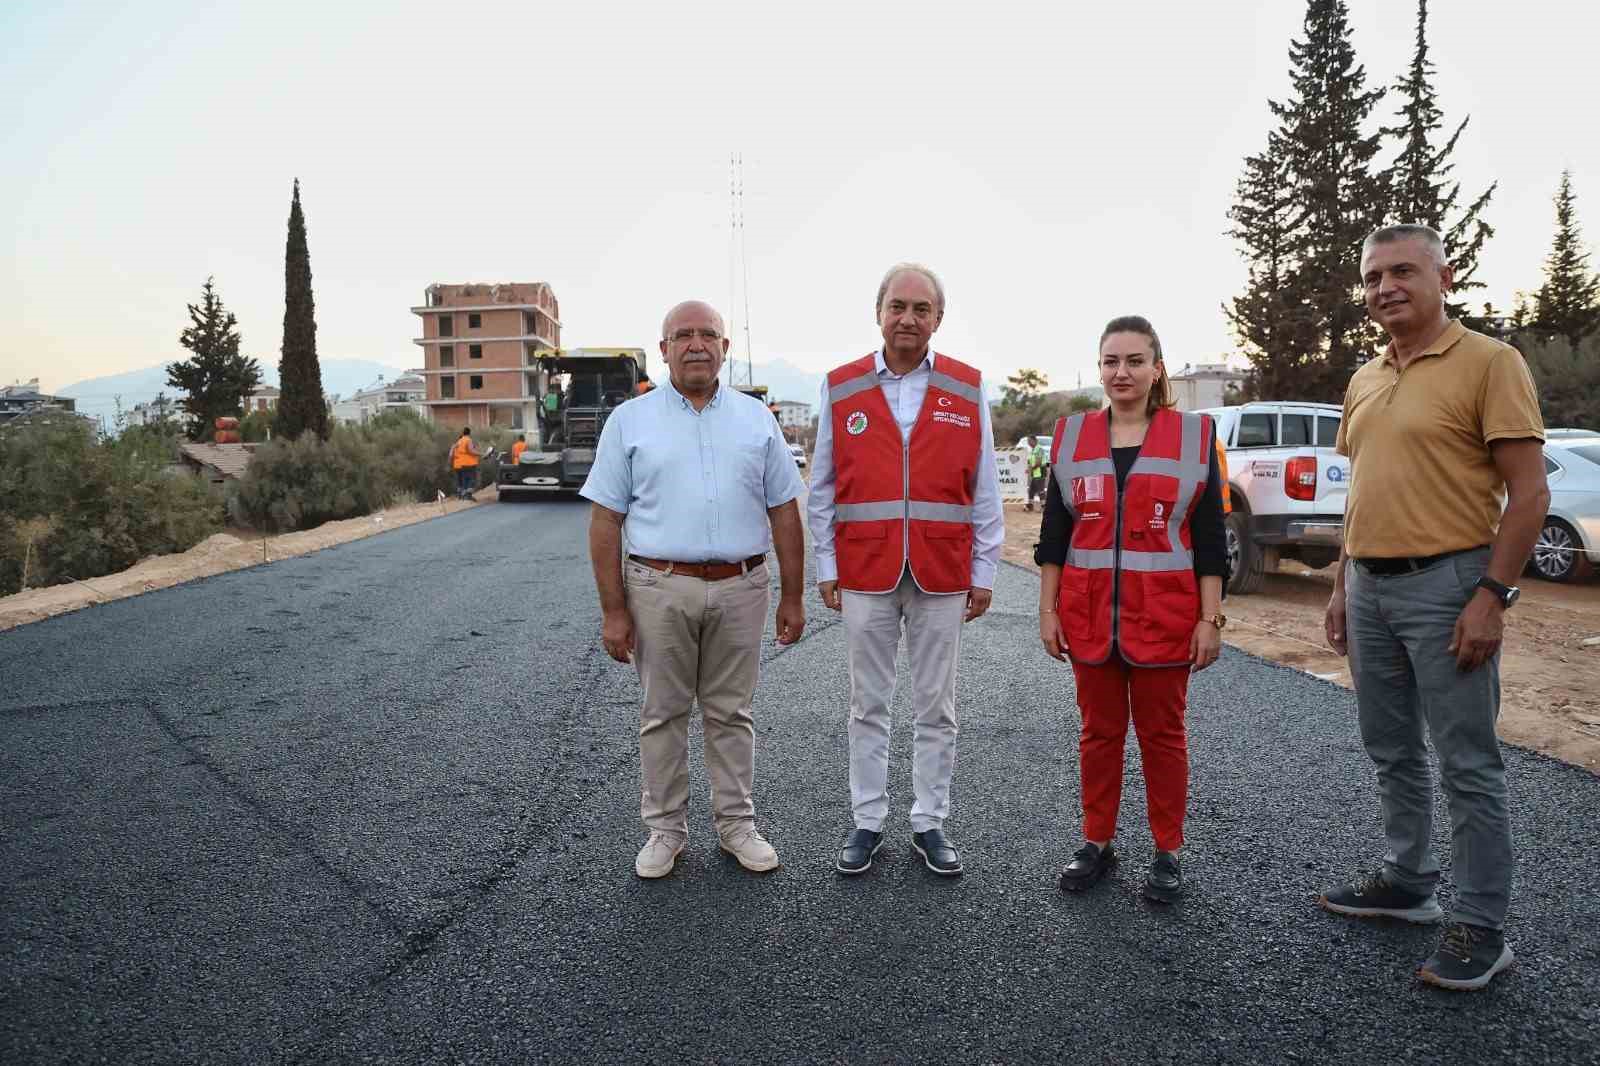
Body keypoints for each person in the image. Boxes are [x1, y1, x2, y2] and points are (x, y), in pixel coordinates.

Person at [1319, 224, 1548, 991]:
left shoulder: (1490, 362)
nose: (1386, 287)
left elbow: (1530, 492)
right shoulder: (1365, 377)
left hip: (1449, 584)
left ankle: (1482, 926)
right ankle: (1408, 881)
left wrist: (1492, 595)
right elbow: (1366, 488)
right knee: (1390, 748)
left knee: (1468, 763)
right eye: (1374, 275)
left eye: (1403, 272)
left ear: (1442, 277)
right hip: (1370, 587)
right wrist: (1339, 584)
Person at [581, 300, 807, 880]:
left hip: (741, 587)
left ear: (726, 349)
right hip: (658, 587)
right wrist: (613, 611)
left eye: (709, 334)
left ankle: (736, 825)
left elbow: (784, 510)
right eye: (683, 335)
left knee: (732, 713)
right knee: (663, 713)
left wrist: (792, 595)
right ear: (663, 350)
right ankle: (665, 830)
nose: (697, 343)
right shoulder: (630, 421)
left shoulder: (757, 420)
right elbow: (605, 520)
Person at [808, 262, 1003, 877]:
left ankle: (929, 821)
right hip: (866, 568)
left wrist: (985, 570)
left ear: (938, 319)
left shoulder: (967, 388)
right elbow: (822, 487)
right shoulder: (840, 388)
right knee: (868, 705)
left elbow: (986, 490)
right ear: (879, 313)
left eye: (922, 309)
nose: (908, 319)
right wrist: (827, 565)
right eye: (898, 306)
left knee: (936, 707)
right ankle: (867, 820)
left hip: (942, 572)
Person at [1036, 315, 1226, 904]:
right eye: (1111, 362)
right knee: (1098, 733)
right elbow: (1054, 534)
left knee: (1163, 735)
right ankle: (1097, 841)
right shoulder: (1069, 438)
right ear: (1100, 369)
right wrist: (1047, 610)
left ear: (1157, 369)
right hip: (1089, 617)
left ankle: (1167, 850)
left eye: (1135, 361)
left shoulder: (1193, 438)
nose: (1123, 372)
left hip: (1165, 618)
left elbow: (1211, 538)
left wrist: (1209, 619)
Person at [449, 427, 481, 501]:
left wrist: (454, 458)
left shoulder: (458, 443)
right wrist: (480, 454)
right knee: (470, 479)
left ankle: (460, 495)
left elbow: (451, 454)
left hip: (457, 464)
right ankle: (467, 495)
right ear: (469, 433)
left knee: (461, 480)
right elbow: (471, 451)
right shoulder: (468, 440)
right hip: (468, 463)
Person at [1025, 434, 1047, 512]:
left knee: (1040, 490)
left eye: (1029, 441)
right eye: (1028, 441)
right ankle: (1030, 506)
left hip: (1040, 472)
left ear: (1034, 441)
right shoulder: (1033, 450)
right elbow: (1031, 462)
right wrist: (1029, 469)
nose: (1028, 443)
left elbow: (1039, 462)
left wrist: (1031, 469)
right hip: (1035, 473)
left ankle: (1044, 507)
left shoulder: (1039, 449)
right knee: (1031, 490)